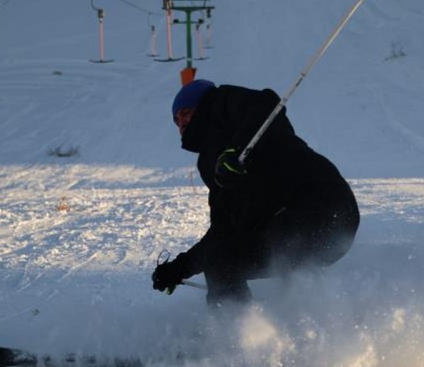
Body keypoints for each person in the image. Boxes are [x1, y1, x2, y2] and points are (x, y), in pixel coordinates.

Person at [151, 79, 360, 307]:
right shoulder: (211, 165)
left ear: (204, 105)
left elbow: (267, 104)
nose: (181, 122)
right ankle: (283, 331)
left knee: (229, 259)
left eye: (185, 112)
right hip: (305, 234)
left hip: (322, 205)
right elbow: (222, 232)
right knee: (223, 260)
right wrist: (179, 268)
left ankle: (233, 333)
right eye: (176, 120)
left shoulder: (226, 105)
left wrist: (236, 151)